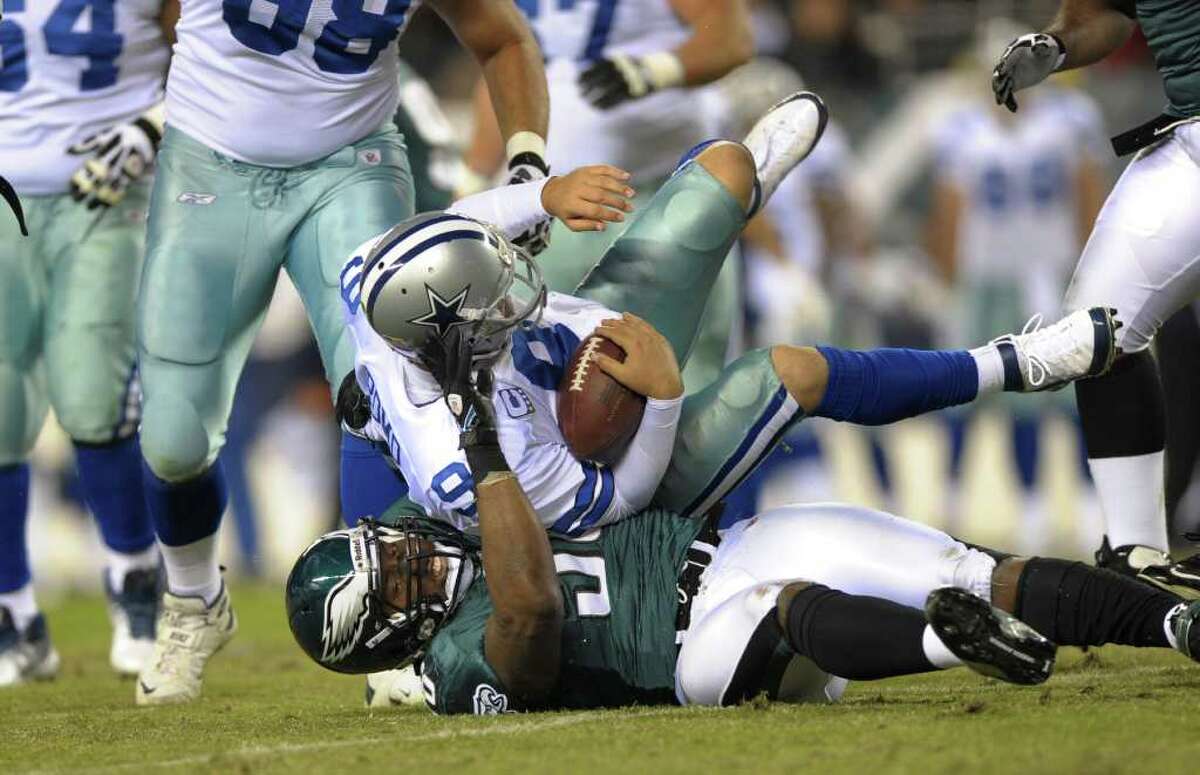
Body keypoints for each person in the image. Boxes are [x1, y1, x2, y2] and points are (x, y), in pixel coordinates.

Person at [285, 326, 1200, 713]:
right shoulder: (457, 666)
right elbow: (529, 612)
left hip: (724, 548)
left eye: (386, 546)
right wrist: (484, 453)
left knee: (975, 568)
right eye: (393, 575)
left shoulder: (425, 515)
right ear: (388, 635)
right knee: (786, 605)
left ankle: (1172, 622)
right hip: (693, 653)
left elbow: (375, 424)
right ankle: (953, 645)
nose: (406, 549)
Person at [342, 92, 1119, 540]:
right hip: (611, 459)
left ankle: (742, 203)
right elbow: (610, 502)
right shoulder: (472, 458)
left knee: (725, 165)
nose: (519, 282)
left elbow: (458, 224)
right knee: (796, 368)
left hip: (601, 337)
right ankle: (1016, 363)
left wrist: (540, 197)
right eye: (498, 300)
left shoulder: (374, 280)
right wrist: (664, 397)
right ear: (460, 340)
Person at [133, 0, 549, 706]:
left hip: (350, 164)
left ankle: (396, 629)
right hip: (209, 159)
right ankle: (194, 599)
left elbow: (501, 38)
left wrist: (527, 162)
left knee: (385, 387)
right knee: (173, 440)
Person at [990, 0, 1200, 590]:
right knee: (1095, 328)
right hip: (1186, 131)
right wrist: (1059, 45)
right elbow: (1102, 11)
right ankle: (1138, 555)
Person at [0, 0, 177, 686]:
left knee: (92, 395)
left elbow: (223, 59)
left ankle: (134, 575)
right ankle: (14, 610)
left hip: (104, 193)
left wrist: (152, 124)